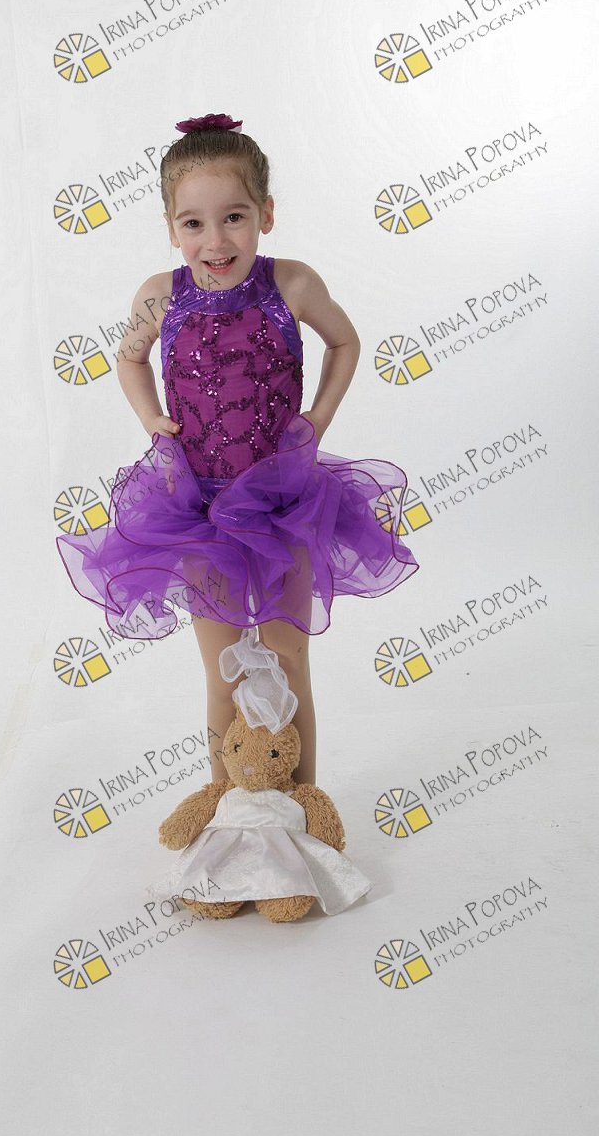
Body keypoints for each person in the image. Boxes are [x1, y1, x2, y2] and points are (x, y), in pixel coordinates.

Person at [56, 112, 419, 786]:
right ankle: (225, 799)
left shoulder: (292, 285)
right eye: (194, 223)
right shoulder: (159, 297)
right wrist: (152, 419)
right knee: (221, 673)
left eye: (234, 217)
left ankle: (305, 801)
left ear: (266, 214)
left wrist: (318, 417)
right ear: (171, 229)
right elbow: (128, 358)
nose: (216, 240)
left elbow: (345, 342)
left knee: (288, 661)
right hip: (196, 509)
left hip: (287, 506)